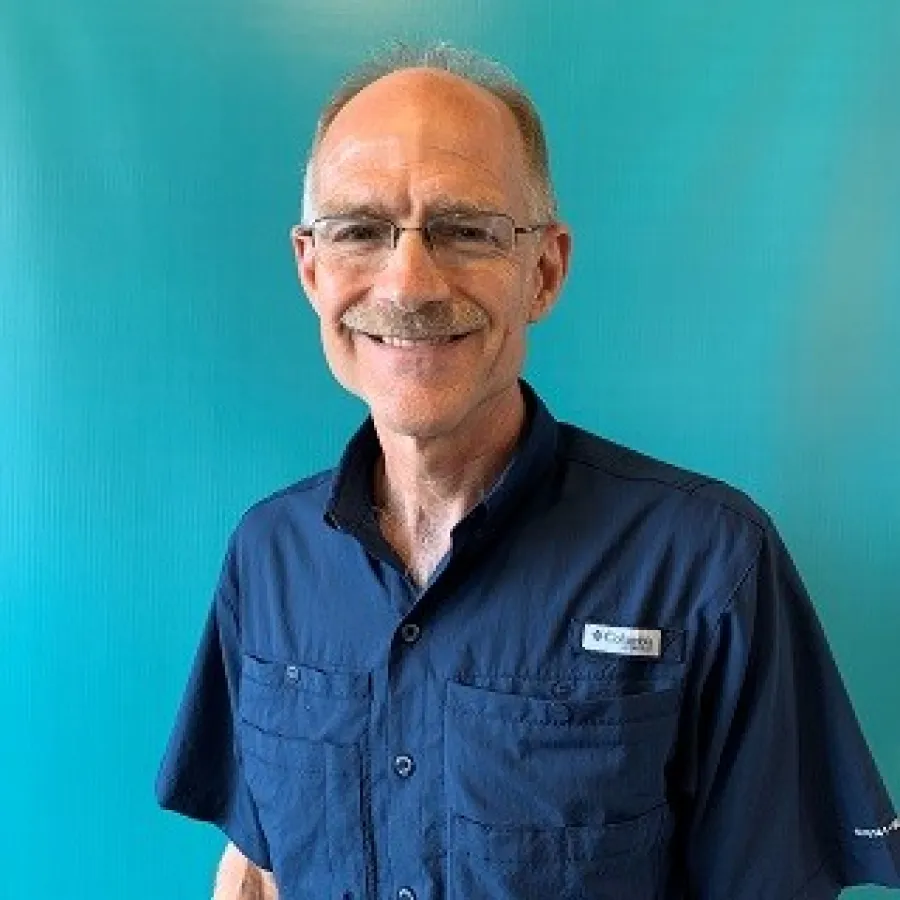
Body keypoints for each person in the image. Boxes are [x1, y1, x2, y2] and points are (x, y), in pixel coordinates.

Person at [156, 43, 900, 899]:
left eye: (465, 229)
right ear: (311, 267)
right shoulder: (268, 556)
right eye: (360, 230)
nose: (408, 280)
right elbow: (258, 874)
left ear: (543, 271)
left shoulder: (708, 564)